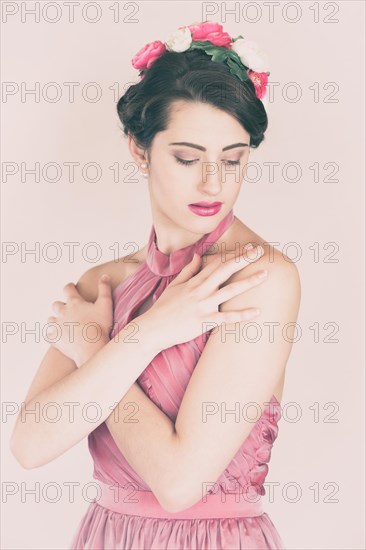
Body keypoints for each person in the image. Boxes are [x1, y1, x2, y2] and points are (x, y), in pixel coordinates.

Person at [10, 21, 301, 550]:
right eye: (188, 158)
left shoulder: (258, 279)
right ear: (139, 150)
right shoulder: (103, 283)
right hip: (106, 535)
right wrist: (146, 335)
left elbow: (178, 483)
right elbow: (30, 445)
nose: (213, 182)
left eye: (233, 159)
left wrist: (97, 348)